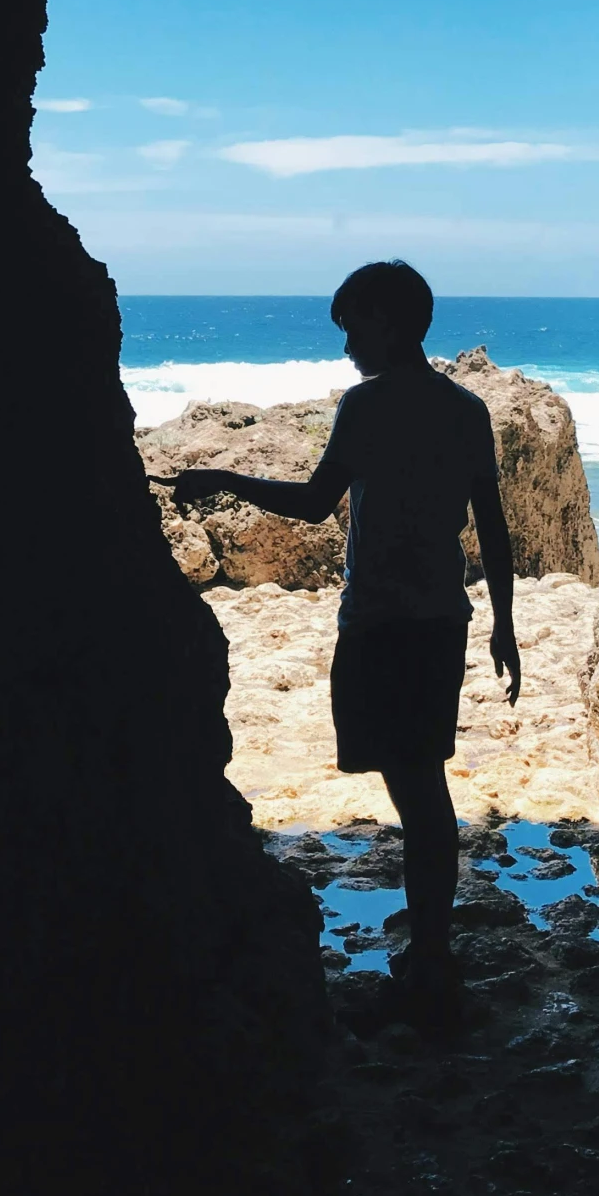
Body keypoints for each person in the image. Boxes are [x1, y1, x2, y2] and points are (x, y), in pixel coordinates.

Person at [169, 259, 520, 1025]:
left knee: (419, 792)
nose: (347, 349)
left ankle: (432, 960)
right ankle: (432, 951)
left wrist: (224, 477)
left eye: (354, 330)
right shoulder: (467, 410)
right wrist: (505, 623)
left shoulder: (365, 406)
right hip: (441, 621)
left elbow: (314, 504)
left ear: (386, 323)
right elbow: (492, 528)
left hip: (379, 621)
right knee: (421, 780)